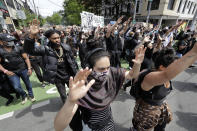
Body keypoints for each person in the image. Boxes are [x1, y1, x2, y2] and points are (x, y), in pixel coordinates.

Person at [54, 45, 146, 131]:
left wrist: (137, 64)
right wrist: (70, 101)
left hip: (109, 122)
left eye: (108, 67)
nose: (106, 72)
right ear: (90, 67)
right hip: (91, 127)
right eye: (101, 69)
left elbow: (132, 74)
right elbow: (58, 127)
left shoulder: (112, 73)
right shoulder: (82, 86)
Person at [131, 42, 197, 131]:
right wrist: (194, 51)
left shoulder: (164, 74)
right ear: (162, 67)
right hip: (147, 113)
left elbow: (178, 68)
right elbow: (167, 74)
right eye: (173, 66)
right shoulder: (150, 77)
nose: (176, 69)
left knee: (161, 128)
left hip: (160, 107)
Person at [24, 19, 78, 103]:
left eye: (58, 38)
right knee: (63, 96)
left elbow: (73, 62)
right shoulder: (45, 49)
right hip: (58, 78)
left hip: (69, 76)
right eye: (54, 38)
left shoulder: (66, 47)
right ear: (49, 39)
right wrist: (31, 35)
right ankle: (67, 110)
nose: (57, 40)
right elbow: (29, 50)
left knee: (74, 93)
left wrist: (76, 73)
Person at [0, 33, 35, 105]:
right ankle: (24, 95)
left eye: (11, 40)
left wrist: (29, 68)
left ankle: (31, 95)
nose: (11, 42)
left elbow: (26, 58)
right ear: (2, 42)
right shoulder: (0, 51)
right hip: (11, 72)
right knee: (16, 87)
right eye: (8, 40)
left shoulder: (19, 48)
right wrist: (5, 71)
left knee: (28, 84)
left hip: (23, 69)